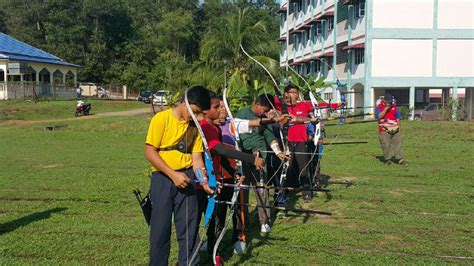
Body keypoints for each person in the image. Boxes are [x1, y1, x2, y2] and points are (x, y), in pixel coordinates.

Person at [144, 85, 213, 266]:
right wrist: (173, 175)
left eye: (201, 114)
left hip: (188, 179)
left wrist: (204, 181)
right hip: (162, 179)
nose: (198, 118)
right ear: (185, 104)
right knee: (160, 231)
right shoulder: (161, 119)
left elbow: (196, 159)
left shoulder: (194, 127)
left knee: (189, 231)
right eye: (196, 112)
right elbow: (150, 152)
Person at [198, 92, 266, 260]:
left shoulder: (217, 127)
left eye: (223, 107)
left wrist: (234, 172)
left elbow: (220, 157)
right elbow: (221, 150)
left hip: (226, 178)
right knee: (215, 215)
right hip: (209, 180)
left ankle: (234, 240)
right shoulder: (205, 127)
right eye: (218, 107)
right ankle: (213, 249)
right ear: (207, 110)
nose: (223, 111)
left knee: (235, 211)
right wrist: (252, 159)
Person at [236, 94, 286, 238]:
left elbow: (270, 136)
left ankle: (264, 221)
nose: (263, 113)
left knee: (262, 190)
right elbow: (242, 135)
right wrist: (252, 152)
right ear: (257, 104)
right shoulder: (243, 114)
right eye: (263, 109)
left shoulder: (265, 120)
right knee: (243, 192)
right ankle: (243, 223)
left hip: (261, 160)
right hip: (244, 159)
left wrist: (278, 152)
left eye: (266, 111)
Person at [375, 94, 406, 165]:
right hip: (384, 128)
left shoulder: (394, 106)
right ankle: (388, 159)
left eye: (390, 101)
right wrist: (386, 108)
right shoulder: (379, 106)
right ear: (384, 100)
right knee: (385, 144)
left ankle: (400, 159)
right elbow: (379, 116)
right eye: (388, 101)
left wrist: (399, 126)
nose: (389, 103)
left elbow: (397, 116)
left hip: (395, 127)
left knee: (398, 144)